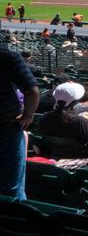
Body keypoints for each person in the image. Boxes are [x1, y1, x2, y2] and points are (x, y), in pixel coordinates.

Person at [0, 41, 39, 201]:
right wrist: (28, 116)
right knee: (13, 187)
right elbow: (32, 90)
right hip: (6, 127)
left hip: (6, 126)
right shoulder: (7, 55)